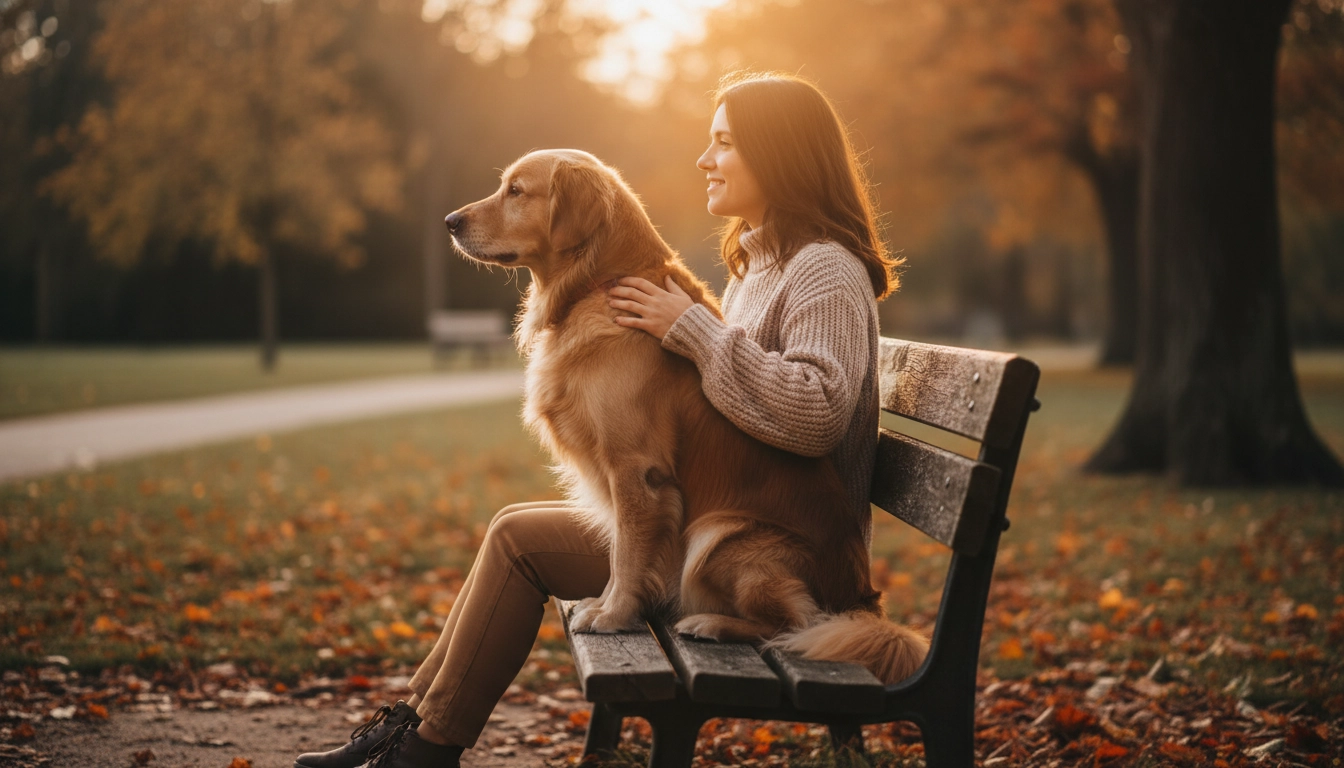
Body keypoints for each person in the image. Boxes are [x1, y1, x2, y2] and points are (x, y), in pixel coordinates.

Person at [293, 71, 902, 768]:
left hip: (768, 554)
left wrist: (694, 329)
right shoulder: (760, 265)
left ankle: (423, 751)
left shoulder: (824, 269)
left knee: (525, 545)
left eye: (724, 143)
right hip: (701, 529)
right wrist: (697, 326)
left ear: (782, 154)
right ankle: (410, 729)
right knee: (512, 532)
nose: (705, 159)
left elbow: (816, 415)